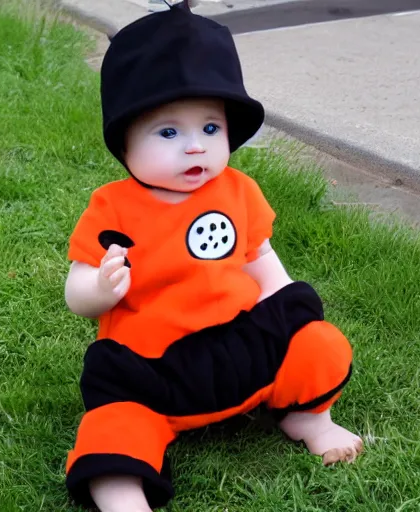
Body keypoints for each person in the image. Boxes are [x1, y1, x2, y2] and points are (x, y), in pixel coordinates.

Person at [63, 2, 363, 510]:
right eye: (168, 131)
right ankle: (122, 490)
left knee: (317, 342)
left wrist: (285, 305)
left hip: (243, 347)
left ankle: (308, 417)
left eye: (210, 128)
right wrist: (98, 289)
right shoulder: (114, 206)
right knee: (114, 422)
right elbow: (77, 288)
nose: (196, 147)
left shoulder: (238, 189)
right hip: (156, 372)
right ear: (125, 143)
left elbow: (259, 257)